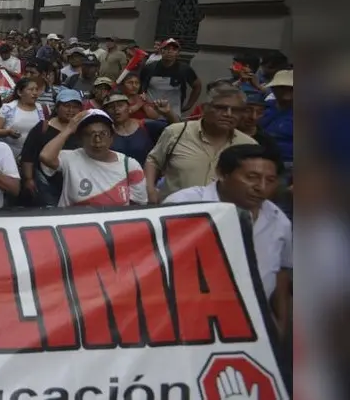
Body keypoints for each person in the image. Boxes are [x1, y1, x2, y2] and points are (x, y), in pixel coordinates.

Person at [162, 144, 291, 335]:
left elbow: (281, 273)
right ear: (222, 174)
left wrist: (280, 324)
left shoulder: (278, 220)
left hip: (254, 325)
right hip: (187, 323)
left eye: (270, 180)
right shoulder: (181, 206)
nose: (261, 188)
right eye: (251, 177)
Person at [144, 86, 258, 203]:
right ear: (204, 108)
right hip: (175, 213)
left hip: (221, 216)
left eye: (235, 110)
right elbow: (154, 161)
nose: (228, 114)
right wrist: (150, 190)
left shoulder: (248, 145)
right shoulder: (176, 132)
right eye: (221, 108)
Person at [39, 109, 147, 206]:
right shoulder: (70, 158)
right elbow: (46, 156)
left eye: (103, 133)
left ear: (112, 137)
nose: (97, 141)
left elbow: (137, 206)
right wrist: (68, 130)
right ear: (80, 139)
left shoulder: (130, 166)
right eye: (89, 134)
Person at [20, 88, 84, 207]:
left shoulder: (83, 130)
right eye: (66, 106)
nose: (71, 110)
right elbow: (28, 155)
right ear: (57, 107)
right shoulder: (43, 127)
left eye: (75, 107)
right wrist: (29, 179)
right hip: (46, 184)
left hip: (75, 183)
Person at [139, 38, 202, 118]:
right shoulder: (149, 68)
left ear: (178, 53)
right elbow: (139, 86)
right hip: (151, 112)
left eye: (174, 49)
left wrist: (189, 105)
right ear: (161, 51)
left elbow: (197, 86)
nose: (170, 51)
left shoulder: (184, 69)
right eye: (166, 49)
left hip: (173, 113)